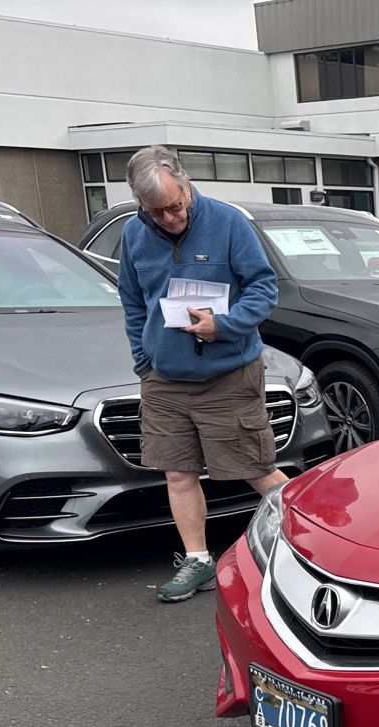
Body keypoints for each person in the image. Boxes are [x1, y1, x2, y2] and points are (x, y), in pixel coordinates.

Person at [116, 145, 285, 603]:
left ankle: (310, 546)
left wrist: (224, 326)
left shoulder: (227, 222)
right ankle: (197, 560)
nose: (170, 218)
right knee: (178, 473)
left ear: (187, 185)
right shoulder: (134, 234)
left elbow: (263, 286)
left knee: (257, 470)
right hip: (165, 380)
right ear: (140, 203)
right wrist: (144, 359)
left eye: (176, 205)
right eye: (158, 211)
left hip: (227, 374)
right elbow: (133, 303)